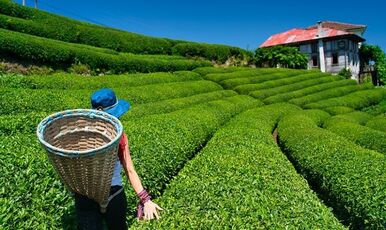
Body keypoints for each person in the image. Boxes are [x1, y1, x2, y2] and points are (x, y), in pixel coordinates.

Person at [74, 88, 163, 230]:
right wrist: (145, 199)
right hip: (113, 194)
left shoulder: (81, 135)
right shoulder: (119, 136)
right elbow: (129, 169)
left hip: (86, 195)